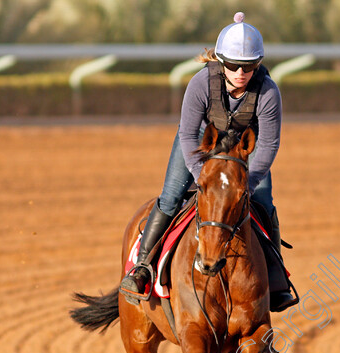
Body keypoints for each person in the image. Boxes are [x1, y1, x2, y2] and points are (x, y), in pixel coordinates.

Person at [119, 11, 297, 312]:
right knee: (172, 194)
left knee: (263, 202)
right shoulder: (201, 83)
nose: (241, 72)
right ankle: (143, 267)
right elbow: (188, 135)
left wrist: (244, 184)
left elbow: (267, 144)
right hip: (202, 143)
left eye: (249, 66)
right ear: (221, 61)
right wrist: (205, 177)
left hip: (244, 152)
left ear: (258, 64)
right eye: (234, 65)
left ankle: (276, 278)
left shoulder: (268, 92)